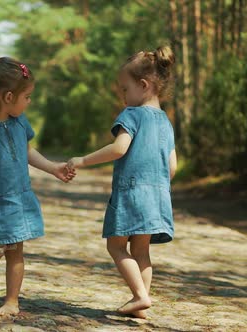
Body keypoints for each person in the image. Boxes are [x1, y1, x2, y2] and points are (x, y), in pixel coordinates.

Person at [67, 46, 177, 319]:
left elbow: (119, 148)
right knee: (142, 250)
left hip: (131, 192)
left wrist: (82, 160)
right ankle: (141, 302)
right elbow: (172, 166)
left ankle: (140, 296)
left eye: (125, 89)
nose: (124, 96)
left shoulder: (131, 115)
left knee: (116, 246)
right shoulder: (166, 122)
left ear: (143, 85)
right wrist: (158, 183)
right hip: (158, 194)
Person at [0, 57, 75, 316]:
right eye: (28, 96)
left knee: (16, 251)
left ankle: (12, 301)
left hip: (20, 200)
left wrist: (53, 168)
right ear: (9, 96)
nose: (29, 102)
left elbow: (28, 152)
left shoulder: (20, 122)